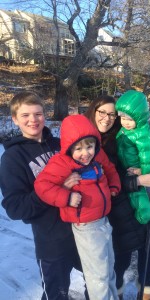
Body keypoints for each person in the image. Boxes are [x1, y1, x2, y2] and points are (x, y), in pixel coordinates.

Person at [0, 91, 88, 300]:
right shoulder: (13, 157)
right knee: (57, 294)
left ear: (45, 115)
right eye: (25, 115)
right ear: (14, 119)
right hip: (52, 240)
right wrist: (58, 191)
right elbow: (15, 207)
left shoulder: (60, 145)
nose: (33, 120)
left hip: (82, 229)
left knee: (96, 282)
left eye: (38, 114)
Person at [84, 95, 150, 300]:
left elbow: (137, 156)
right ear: (92, 111)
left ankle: (147, 290)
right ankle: (118, 293)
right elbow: (101, 181)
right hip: (115, 211)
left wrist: (143, 168)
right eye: (102, 112)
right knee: (120, 259)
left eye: (112, 114)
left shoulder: (120, 134)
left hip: (136, 201)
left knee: (149, 243)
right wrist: (137, 181)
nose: (108, 118)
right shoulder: (86, 142)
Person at [34, 114, 121, 300]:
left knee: (109, 269)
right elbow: (42, 186)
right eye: (79, 148)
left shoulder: (97, 156)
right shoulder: (62, 163)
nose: (86, 153)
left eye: (89, 146)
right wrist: (66, 196)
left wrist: (114, 186)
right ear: (69, 148)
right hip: (87, 228)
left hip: (104, 221)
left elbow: (111, 169)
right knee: (98, 275)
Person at [115, 90, 150, 224]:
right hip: (126, 166)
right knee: (132, 193)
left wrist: (143, 172)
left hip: (134, 168)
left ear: (140, 118)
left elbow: (147, 155)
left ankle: (145, 211)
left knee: (137, 192)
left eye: (130, 119)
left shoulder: (142, 134)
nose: (125, 122)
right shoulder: (125, 130)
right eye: (123, 118)